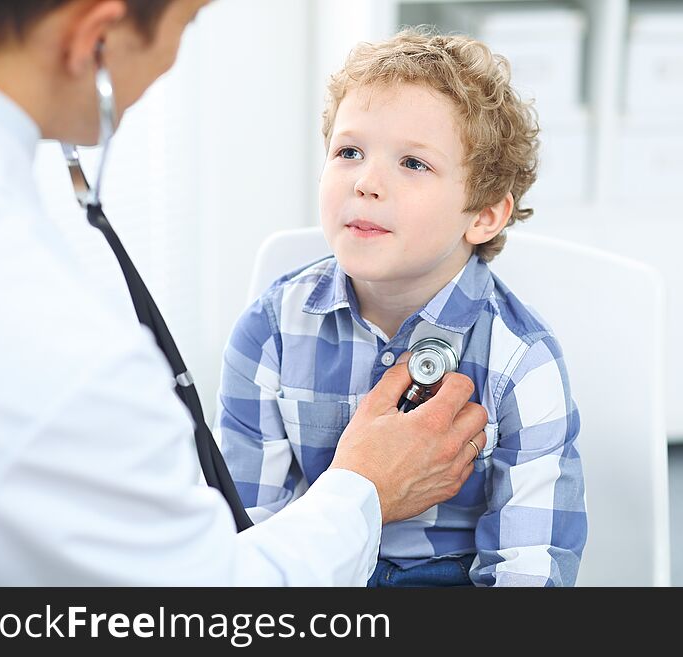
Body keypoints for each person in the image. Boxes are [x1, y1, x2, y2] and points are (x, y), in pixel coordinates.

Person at [0, 0, 488, 586]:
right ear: (95, 37)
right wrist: (366, 488)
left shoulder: (516, 348)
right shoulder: (71, 358)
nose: (367, 182)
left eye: (413, 162)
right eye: (188, 23)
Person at [217, 29, 587, 587]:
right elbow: (247, 535)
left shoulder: (520, 362)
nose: (366, 182)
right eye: (348, 152)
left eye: (413, 163)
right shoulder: (269, 332)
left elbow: (529, 569)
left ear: (485, 214)